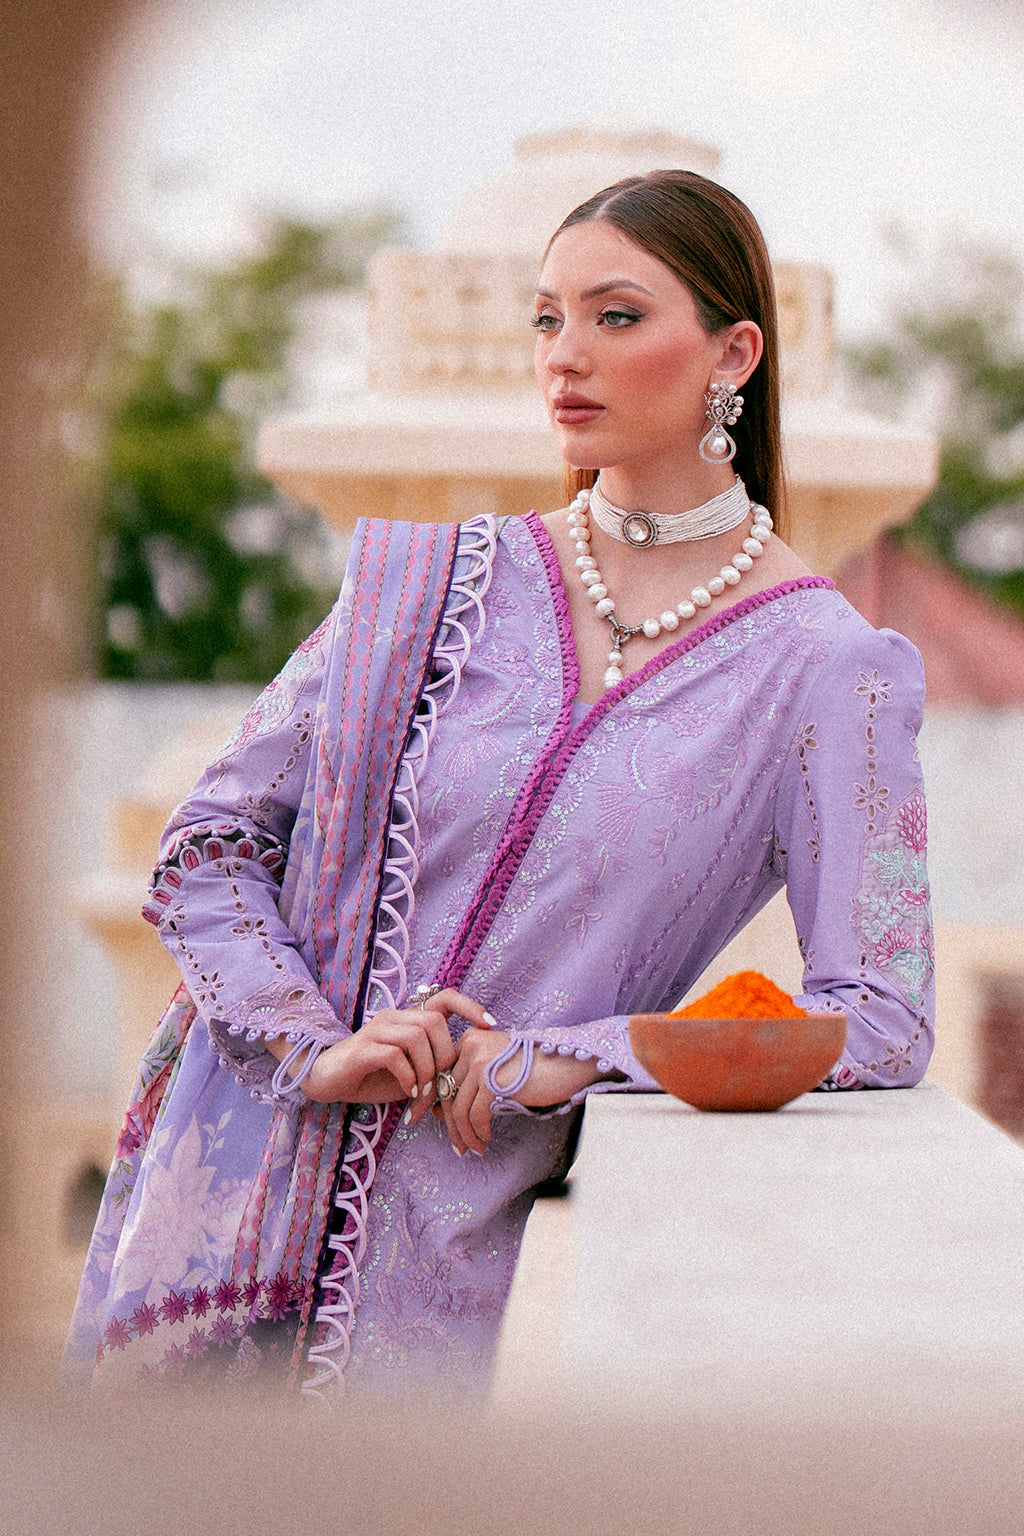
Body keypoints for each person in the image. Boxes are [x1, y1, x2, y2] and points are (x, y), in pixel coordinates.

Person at [64, 170, 934, 1400]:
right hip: (211, 1236)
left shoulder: (827, 672)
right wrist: (313, 1045)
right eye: (545, 318)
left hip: (435, 1293)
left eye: (615, 316)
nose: (564, 355)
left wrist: (580, 1053)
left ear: (732, 353)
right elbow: (209, 841)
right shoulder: (428, 585)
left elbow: (882, 1018)